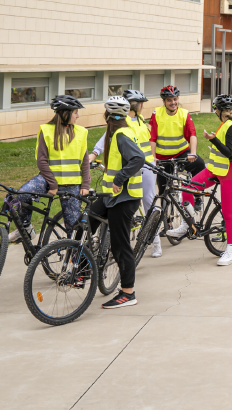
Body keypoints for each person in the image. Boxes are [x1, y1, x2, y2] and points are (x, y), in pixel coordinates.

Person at [170, 94, 232, 266]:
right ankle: (188, 223)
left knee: (228, 213)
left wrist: (213, 140)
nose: (215, 113)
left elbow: (228, 152)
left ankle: (230, 250)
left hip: (231, 174)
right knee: (188, 187)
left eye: (216, 111)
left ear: (220, 112)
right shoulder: (226, 124)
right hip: (215, 170)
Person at [88, 89, 162, 257]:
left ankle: (155, 241)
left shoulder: (142, 121)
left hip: (148, 166)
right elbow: (106, 136)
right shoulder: (124, 121)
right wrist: (94, 153)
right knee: (124, 203)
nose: (141, 106)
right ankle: (118, 243)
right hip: (133, 165)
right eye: (139, 104)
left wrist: (154, 158)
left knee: (149, 201)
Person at [7, 94, 90, 243]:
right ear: (66, 113)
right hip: (47, 180)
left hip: (72, 184)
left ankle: (79, 262)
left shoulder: (81, 132)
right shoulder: (46, 130)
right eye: (75, 112)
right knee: (21, 196)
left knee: (73, 228)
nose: (78, 116)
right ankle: (25, 227)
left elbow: (85, 161)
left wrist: (85, 184)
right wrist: (53, 184)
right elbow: (42, 161)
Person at [91, 96, 145, 308]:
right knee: (89, 218)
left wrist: (119, 178)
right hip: (111, 196)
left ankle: (128, 293)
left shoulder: (122, 134)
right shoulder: (118, 132)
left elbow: (138, 158)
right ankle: (83, 266)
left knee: (120, 245)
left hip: (125, 198)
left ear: (107, 116)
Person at [151, 85, 206, 241]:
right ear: (164, 101)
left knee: (200, 165)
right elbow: (152, 138)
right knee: (163, 190)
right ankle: (167, 223)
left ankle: (197, 198)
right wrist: (153, 157)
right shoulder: (157, 113)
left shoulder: (184, 114)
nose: (173, 103)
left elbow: (192, 135)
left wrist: (193, 153)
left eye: (175, 99)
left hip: (182, 153)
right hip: (163, 158)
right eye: (169, 100)